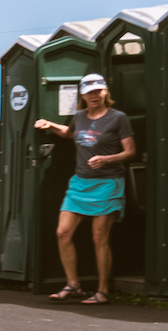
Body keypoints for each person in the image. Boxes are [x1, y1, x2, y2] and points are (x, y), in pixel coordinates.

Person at [35, 73, 135, 305]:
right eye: (89, 91)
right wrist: (50, 125)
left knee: (99, 237)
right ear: (82, 94)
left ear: (105, 92)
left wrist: (107, 159)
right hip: (80, 183)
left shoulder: (118, 118)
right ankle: (74, 284)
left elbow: (130, 152)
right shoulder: (79, 117)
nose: (94, 95)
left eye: (98, 91)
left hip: (108, 183)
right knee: (63, 232)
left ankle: (102, 291)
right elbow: (69, 133)